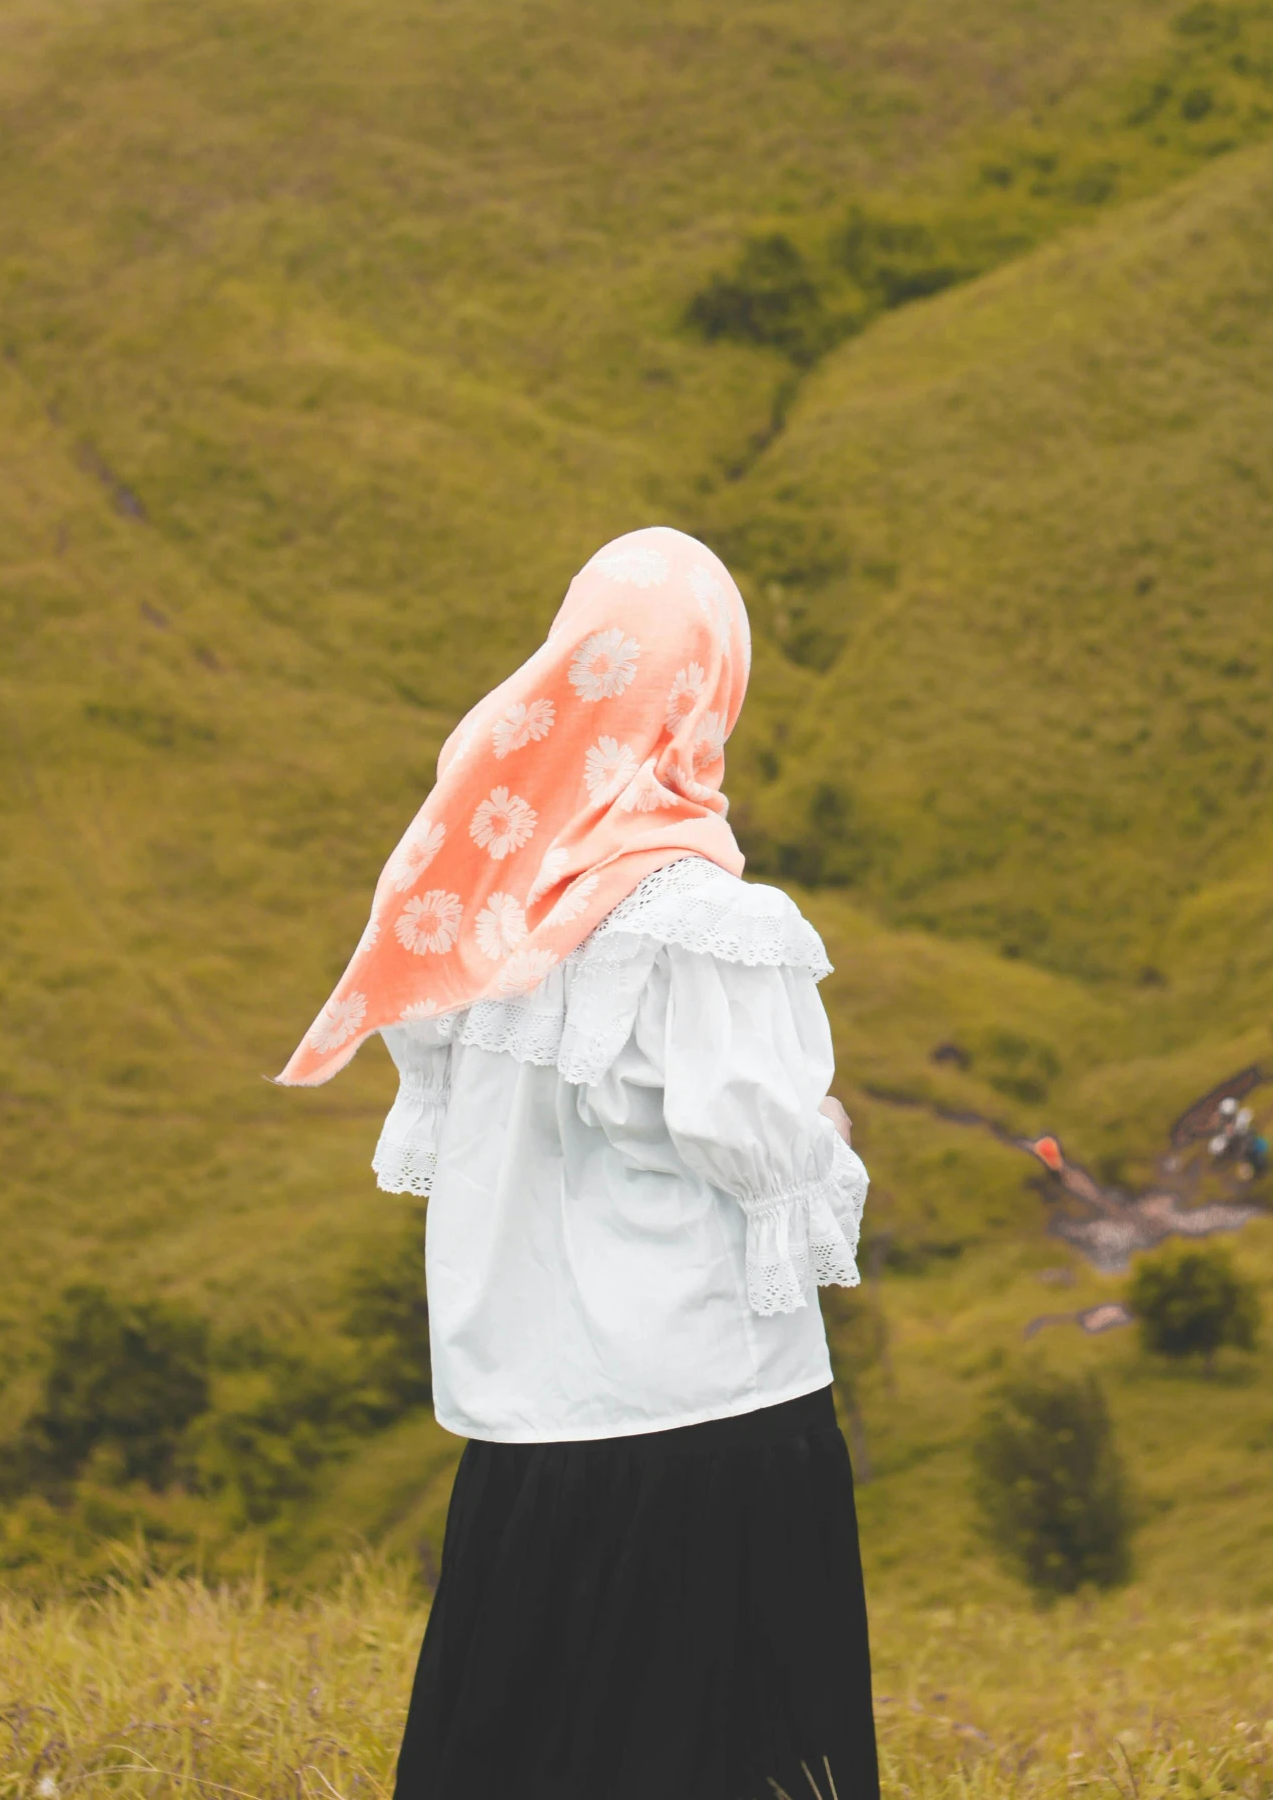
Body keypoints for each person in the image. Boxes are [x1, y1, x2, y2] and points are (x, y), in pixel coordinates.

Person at [279, 526, 879, 1800]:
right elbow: (751, 1136)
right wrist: (825, 1145)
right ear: (709, 688)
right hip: (707, 1408)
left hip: (530, 1413)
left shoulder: (476, 882)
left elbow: (448, 1098)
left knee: (527, 1735)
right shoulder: (707, 920)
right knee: (726, 1748)